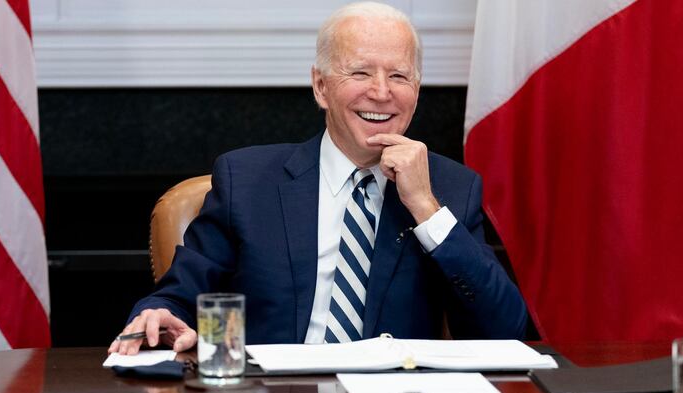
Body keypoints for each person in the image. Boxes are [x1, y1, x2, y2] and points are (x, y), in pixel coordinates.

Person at [110, 2, 527, 356]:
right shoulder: (247, 181)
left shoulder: (451, 187)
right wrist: (160, 315)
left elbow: (504, 332)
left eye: (399, 76)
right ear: (321, 87)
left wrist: (426, 208)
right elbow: (180, 296)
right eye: (360, 73)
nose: (382, 92)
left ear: (416, 89)